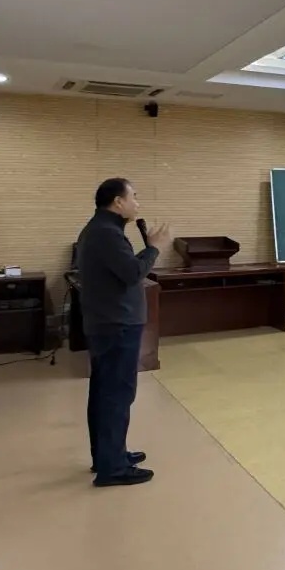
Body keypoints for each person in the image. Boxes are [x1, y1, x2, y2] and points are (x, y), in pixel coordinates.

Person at [76, 178, 169, 487]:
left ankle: (108, 455)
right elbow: (132, 273)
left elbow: (124, 270)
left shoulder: (100, 230)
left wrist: (147, 249)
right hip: (116, 326)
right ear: (118, 201)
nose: (137, 204)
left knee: (105, 393)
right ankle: (112, 468)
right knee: (116, 395)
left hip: (108, 324)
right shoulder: (106, 233)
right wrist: (153, 248)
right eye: (134, 197)